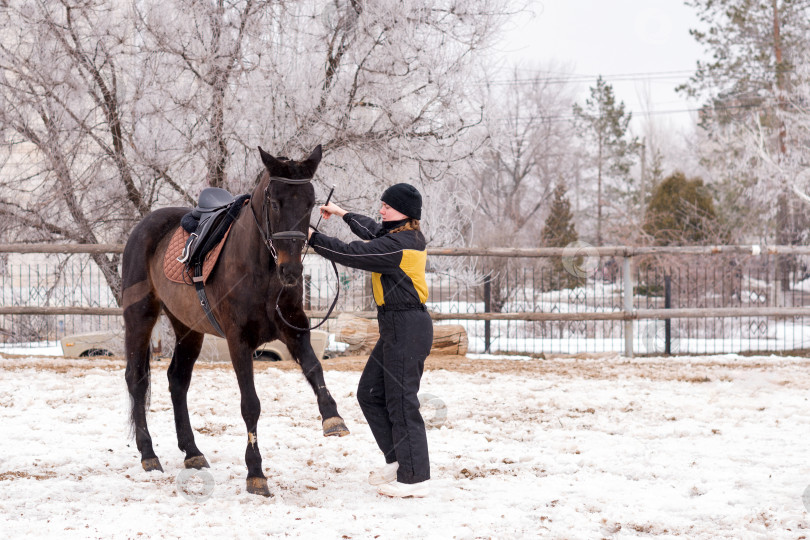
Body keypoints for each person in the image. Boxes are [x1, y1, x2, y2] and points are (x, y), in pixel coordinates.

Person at [307, 183, 433, 498]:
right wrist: (340, 213)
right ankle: (399, 461)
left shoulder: (401, 245)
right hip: (395, 326)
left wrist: (310, 238)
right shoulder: (396, 238)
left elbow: (352, 252)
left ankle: (415, 480)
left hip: (408, 327)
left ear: (404, 212)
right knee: (371, 393)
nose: (381, 210)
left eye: (387, 207)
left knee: (402, 402)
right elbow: (371, 230)